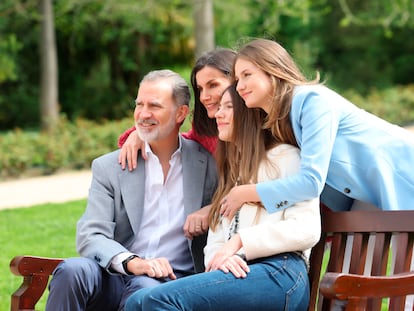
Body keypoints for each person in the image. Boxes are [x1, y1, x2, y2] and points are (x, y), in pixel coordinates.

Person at [124, 84, 321, 311]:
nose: (218, 114)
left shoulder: (285, 157)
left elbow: (307, 229)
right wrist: (221, 259)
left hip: (280, 272)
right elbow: (216, 242)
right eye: (219, 107)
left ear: (249, 114)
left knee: (156, 301)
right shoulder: (232, 175)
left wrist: (240, 243)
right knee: (136, 302)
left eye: (228, 107)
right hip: (240, 272)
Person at [45, 69, 218, 311]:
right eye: (139, 104)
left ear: (181, 113)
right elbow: (90, 235)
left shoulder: (207, 165)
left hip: (168, 282)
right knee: (72, 270)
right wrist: (133, 262)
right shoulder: (109, 167)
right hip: (114, 271)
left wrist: (209, 211)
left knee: (146, 291)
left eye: (154, 106)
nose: (143, 114)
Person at [220, 38, 414, 220]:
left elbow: (311, 182)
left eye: (247, 75)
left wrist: (246, 192)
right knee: (358, 253)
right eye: (237, 80)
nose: (240, 87)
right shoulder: (280, 120)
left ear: (273, 71)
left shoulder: (311, 101)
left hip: (402, 173)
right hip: (365, 194)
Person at [117, 48, 236, 239]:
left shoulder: (262, 131)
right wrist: (139, 134)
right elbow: (180, 142)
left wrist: (213, 209)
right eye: (200, 89)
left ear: (237, 81)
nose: (204, 96)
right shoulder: (208, 133)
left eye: (213, 85)